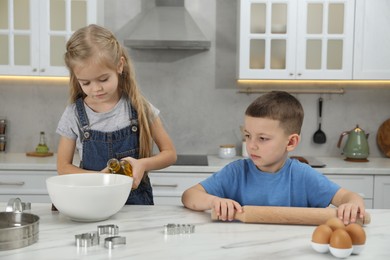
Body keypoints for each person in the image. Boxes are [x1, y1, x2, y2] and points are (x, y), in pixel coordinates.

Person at [182, 91, 365, 224]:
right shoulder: (236, 173)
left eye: (262, 138)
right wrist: (215, 201)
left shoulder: (303, 176)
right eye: (247, 135)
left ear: (291, 142)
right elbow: (189, 196)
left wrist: (352, 205)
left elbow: (349, 196)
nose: (251, 145)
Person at [56, 24, 176, 205]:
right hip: (92, 201)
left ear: (119, 66)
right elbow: (63, 167)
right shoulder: (73, 114)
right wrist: (99, 178)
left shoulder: (139, 107)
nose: (96, 89)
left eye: (103, 79)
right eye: (86, 83)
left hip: (135, 205)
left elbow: (170, 154)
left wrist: (143, 164)